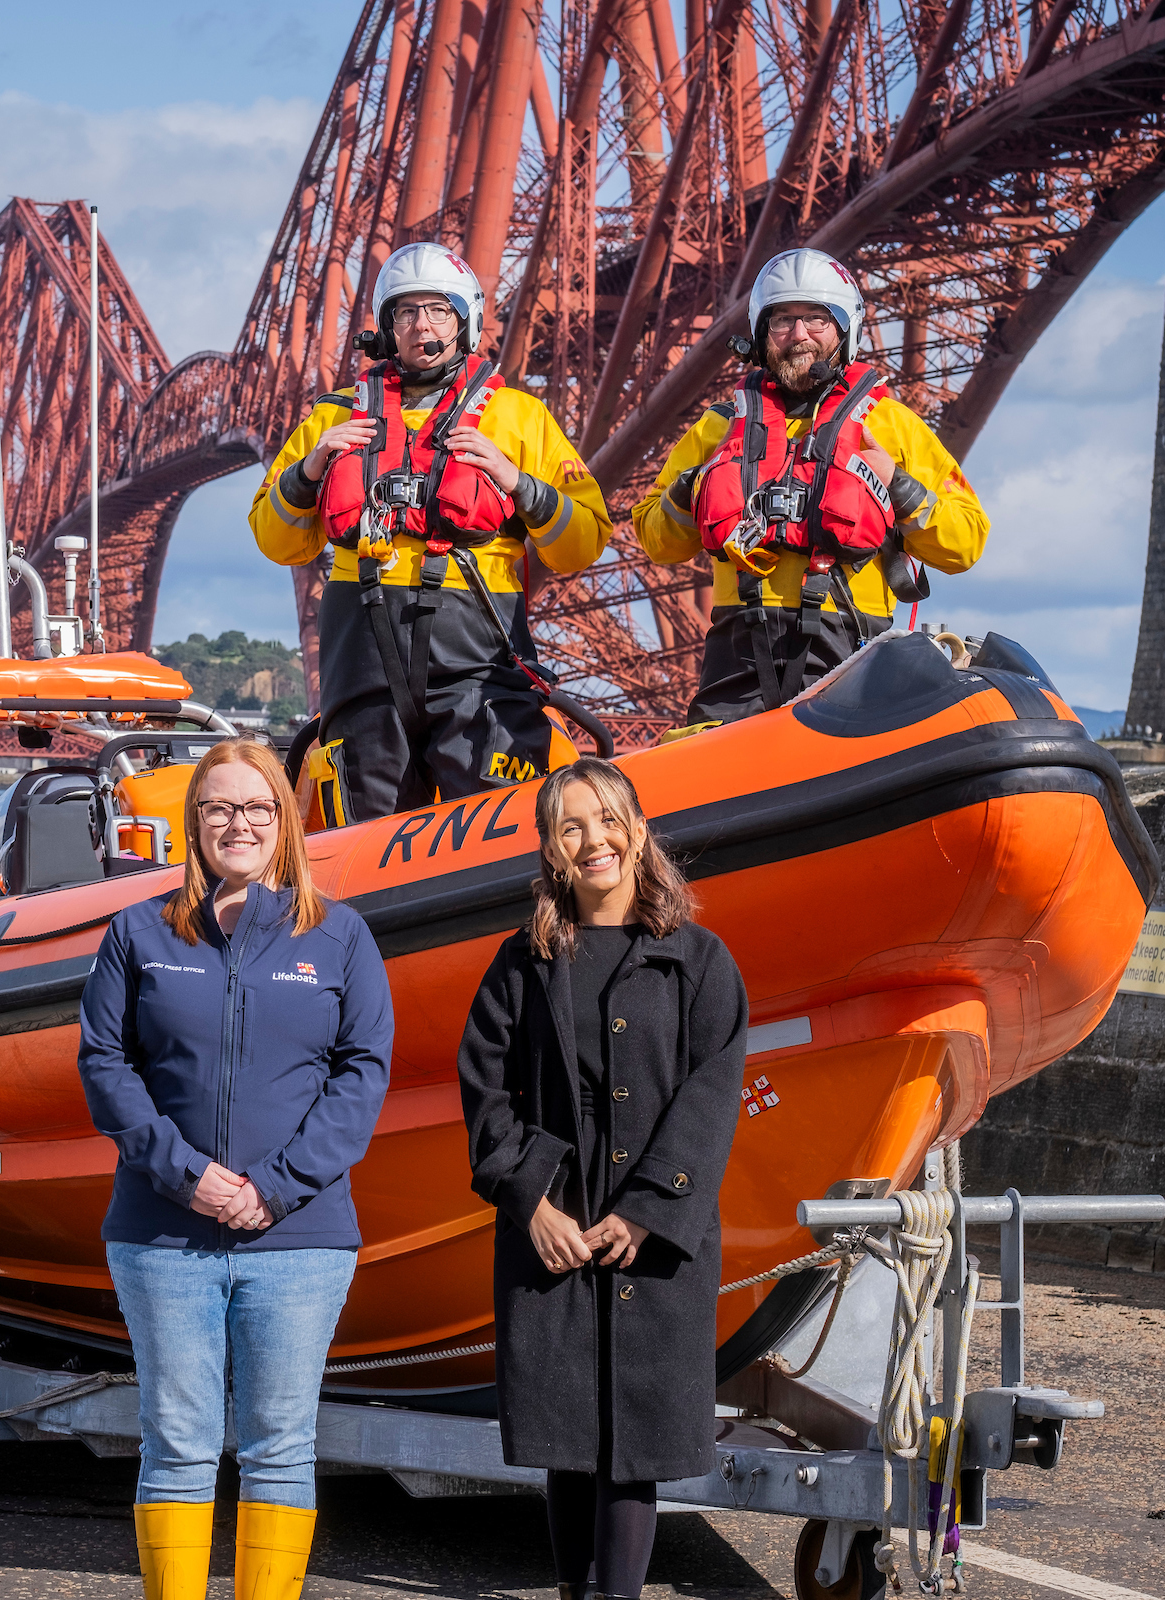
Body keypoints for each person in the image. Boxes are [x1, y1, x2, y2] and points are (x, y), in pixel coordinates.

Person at [77, 737, 394, 1600]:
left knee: (281, 1444)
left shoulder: (339, 937)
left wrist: (274, 1188)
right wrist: (189, 1176)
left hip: (298, 1238)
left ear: (284, 822)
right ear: (193, 824)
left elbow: (362, 1075)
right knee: (176, 1439)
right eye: (218, 808)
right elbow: (107, 1065)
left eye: (257, 808)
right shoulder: (138, 933)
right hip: (162, 1234)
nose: (238, 824)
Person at [455, 757, 748, 1600]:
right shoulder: (522, 962)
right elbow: (484, 1091)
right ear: (551, 850)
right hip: (554, 1231)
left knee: (632, 1452)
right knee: (568, 1441)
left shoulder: (698, 960)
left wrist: (653, 1209)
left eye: (608, 820)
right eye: (571, 827)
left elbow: (712, 1090)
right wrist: (530, 1205)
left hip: (653, 1242)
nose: (594, 841)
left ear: (639, 831)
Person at [251, 242, 613, 825]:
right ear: (386, 327)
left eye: (438, 310)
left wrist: (520, 483)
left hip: (480, 663)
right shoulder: (331, 419)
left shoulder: (519, 417)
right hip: (364, 662)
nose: (422, 325)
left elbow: (583, 542)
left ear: (463, 321)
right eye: (406, 312)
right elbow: (277, 541)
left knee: (506, 829)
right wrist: (309, 469)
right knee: (364, 840)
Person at [634, 248, 990, 725]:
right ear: (761, 335)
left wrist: (898, 486)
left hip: (850, 651)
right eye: (782, 320)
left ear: (846, 331)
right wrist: (692, 487)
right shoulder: (717, 429)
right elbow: (655, 539)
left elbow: (966, 541)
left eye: (817, 320)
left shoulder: (892, 426)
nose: (799, 335)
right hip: (737, 652)